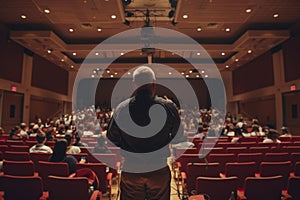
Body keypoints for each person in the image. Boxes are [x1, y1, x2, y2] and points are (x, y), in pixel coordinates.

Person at [107, 66, 184, 200]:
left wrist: (127, 144)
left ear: (134, 84)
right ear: (154, 84)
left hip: (131, 168)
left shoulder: (121, 108)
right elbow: (178, 137)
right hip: (158, 168)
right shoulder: (169, 107)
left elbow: (111, 137)